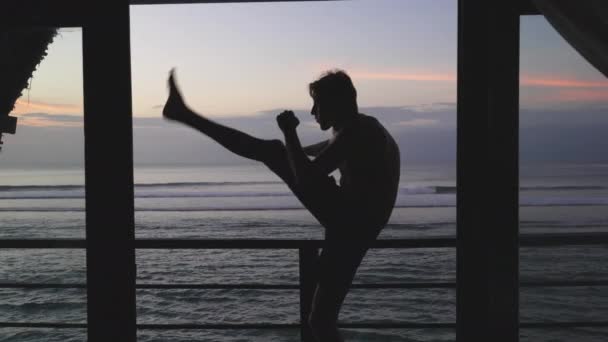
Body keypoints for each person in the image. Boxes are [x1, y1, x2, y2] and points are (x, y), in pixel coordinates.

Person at [163, 69, 400, 342]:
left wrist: (289, 133)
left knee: (320, 321)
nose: (312, 112)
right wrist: (287, 148)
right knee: (320, 319)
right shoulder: (361, 127)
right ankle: (183, 114)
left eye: (317, 104)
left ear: (336, 103)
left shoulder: (357, 133)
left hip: (350, 223)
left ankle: (184, 115)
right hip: (351, 223)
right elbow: (316, 152)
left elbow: (308, 177)